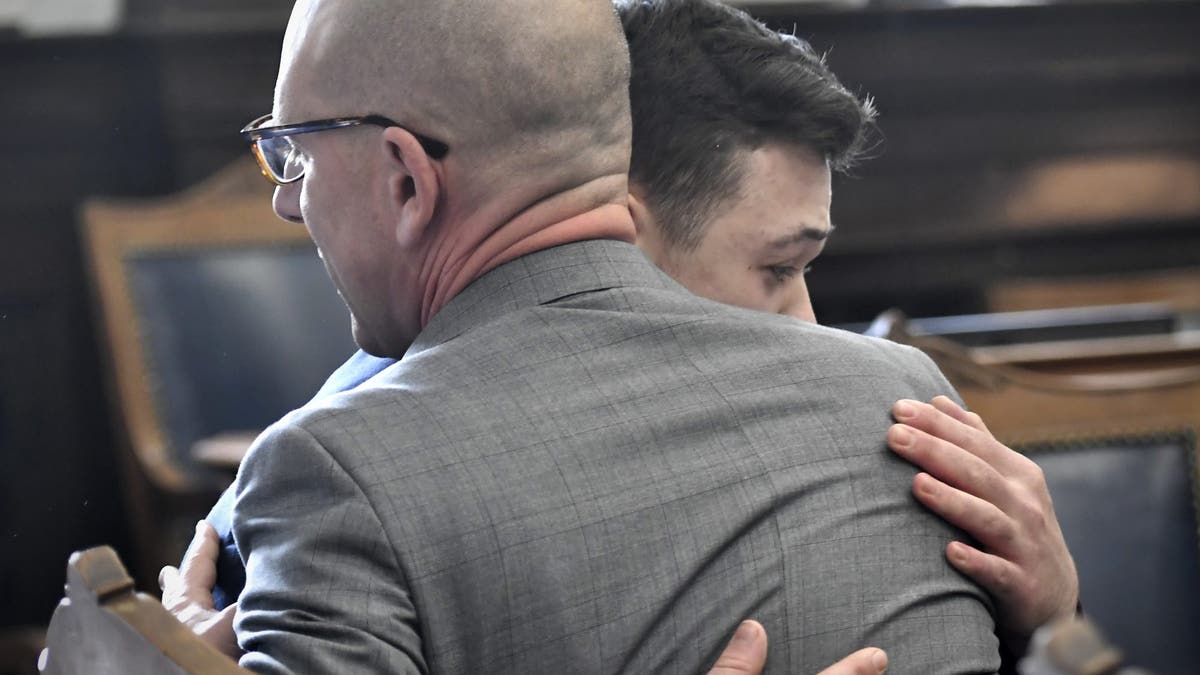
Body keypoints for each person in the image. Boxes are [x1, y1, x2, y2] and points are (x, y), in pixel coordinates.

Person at [163, 0, 1075, 671]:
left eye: (298, 154)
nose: (286, 198)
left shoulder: (335, 475)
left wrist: (1049, 625)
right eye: (776, 267)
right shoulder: (899, 396)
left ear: (406, 179)